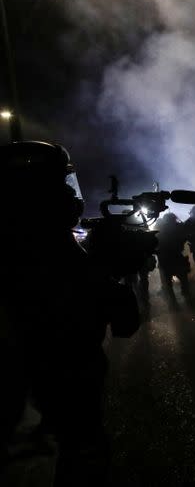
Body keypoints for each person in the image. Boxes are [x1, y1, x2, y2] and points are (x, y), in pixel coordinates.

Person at [0, 141, 140, 486]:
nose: (69, 194)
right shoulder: (55, 256)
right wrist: (113, 268)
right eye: (63, 185)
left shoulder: (18, 244)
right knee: (82, 452)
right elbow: (124, 322)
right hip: (57, 401)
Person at [154, 212, 191, 305]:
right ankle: (186, 299)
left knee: (168, 284)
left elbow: (156, 244)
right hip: (175, 257)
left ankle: (174, 304)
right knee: (183, 280)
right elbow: (186, 237)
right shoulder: (179, 228)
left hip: (165, 258)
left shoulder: (160, 229)